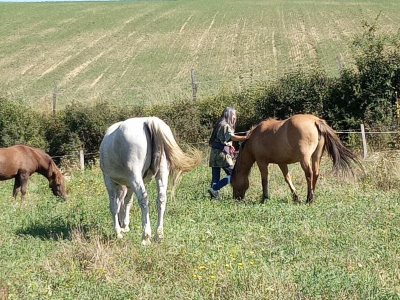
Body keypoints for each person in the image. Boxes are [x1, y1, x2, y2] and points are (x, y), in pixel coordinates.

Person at [208, 107, 248, 199]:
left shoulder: (219, 124)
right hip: (222, 155)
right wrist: (245, 138)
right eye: (233, 115)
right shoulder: (225, 125)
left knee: (215, 177)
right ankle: (215, 188)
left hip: (214, 154)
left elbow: (219, 140)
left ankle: (213, 196)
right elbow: (232, 137)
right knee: (234, 174)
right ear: (228, 115)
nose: (235, 117)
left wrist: (229, 146)